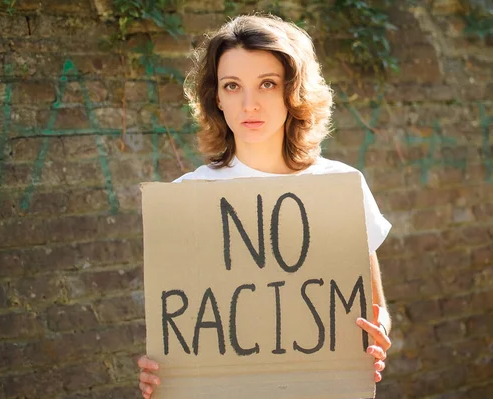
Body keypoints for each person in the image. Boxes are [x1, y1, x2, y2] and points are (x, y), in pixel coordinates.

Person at [137, 13, 392, 399]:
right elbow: (185, 331)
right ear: (217, 97)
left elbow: (375, 309)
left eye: (267, 84)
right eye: (232, 85)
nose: (249, 103)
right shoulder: (187, 198)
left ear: (293, 90)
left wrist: (377, 339)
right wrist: (163, 376)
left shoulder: (340, 186)